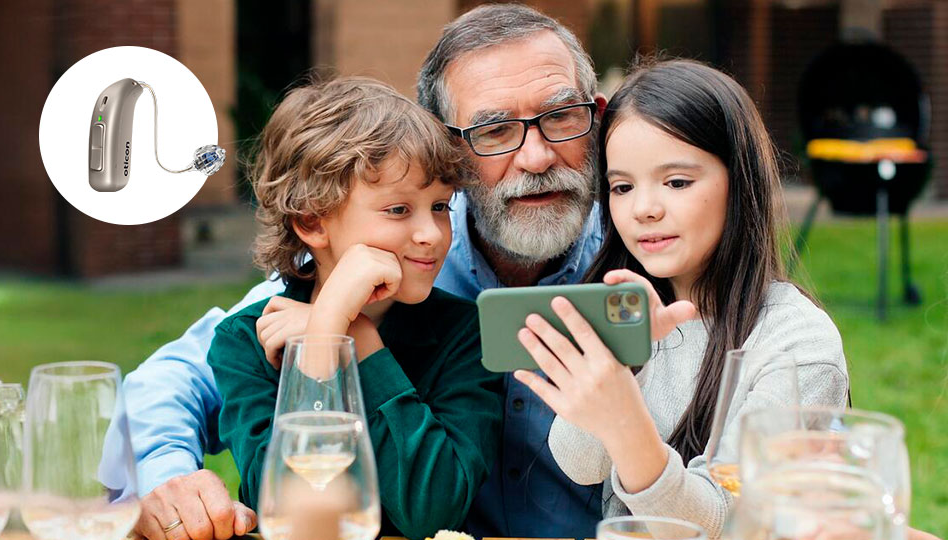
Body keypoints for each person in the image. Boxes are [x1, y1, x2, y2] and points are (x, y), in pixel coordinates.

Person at [123, 5, 608, 539]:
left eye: (561, 116)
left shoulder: (643, 251)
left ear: (598, 116)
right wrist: (167, 475)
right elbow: (177, 380)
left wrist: (348, 331)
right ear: (452, 147)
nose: (536, 157)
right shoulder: (286, 315)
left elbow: (432, 504)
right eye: (494, 129)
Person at [510, 58, 849, 538]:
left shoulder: (798, 344)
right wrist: (622, 367)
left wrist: (626, 422)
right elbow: (579, 464)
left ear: (739, 182)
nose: (645, 209)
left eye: (676, 182)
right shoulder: (629, 313)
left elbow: (725, 523)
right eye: (623, 187)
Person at [205, 77, 503, 540]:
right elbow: (291, 510)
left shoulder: (467, 333)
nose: (433, 234)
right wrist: (324, 340)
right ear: (311, 221)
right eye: (399, 210)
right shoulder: (245, 341)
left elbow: (434, 509)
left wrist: (353, 337)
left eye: (441, 206)